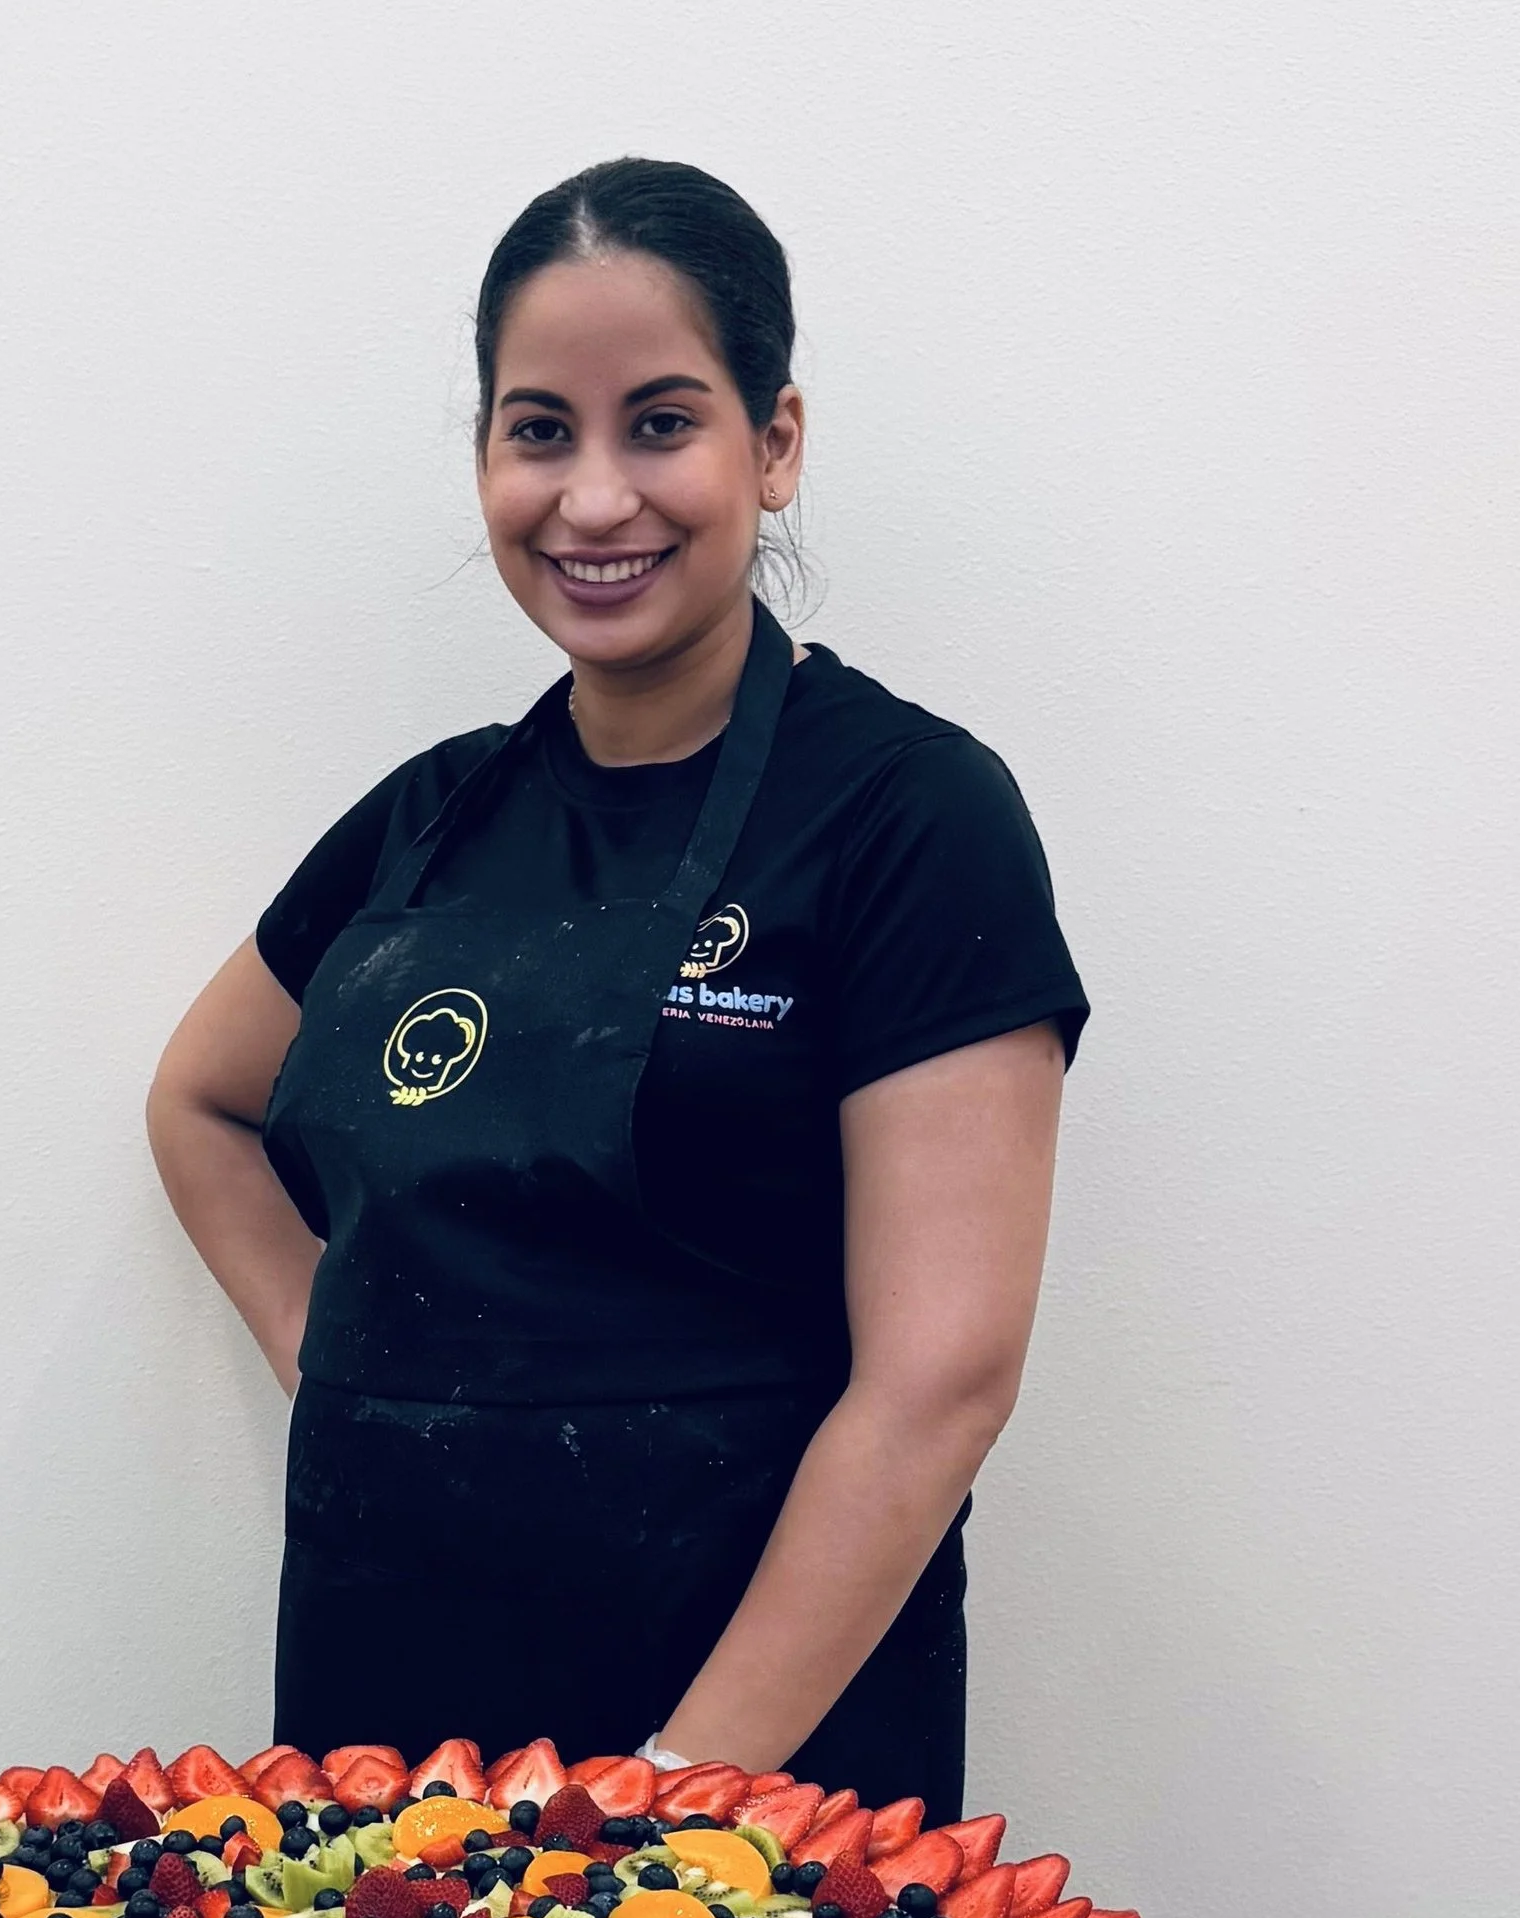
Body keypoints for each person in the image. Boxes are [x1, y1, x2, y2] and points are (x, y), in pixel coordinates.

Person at [147, 158, 1086, 1824]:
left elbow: (944, 1379)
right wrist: (349, 1367)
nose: (592, 500)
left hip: (753, 1766)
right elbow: (200, 1101)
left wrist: (673, 1794)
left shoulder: (905, 816)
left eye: (661, 423)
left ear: (773, 443)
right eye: (538, 430)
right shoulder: (426, 821)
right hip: (387, 1726)